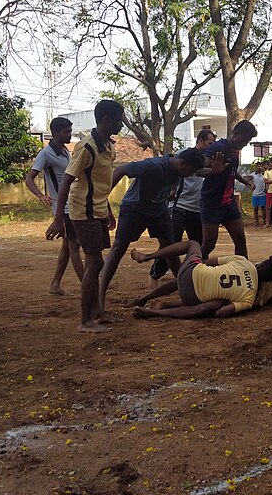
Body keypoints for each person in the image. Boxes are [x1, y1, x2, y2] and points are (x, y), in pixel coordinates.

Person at [46, 99, 123, 333]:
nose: (121, 124)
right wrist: (59, 219)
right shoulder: (86, 147)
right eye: (119, 119)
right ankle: (85, 320)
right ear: (107, 120)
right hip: (83, 211)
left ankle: (97, 311)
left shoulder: (108, 147)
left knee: (94, 261)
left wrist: (107, 209)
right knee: (95, 261)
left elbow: (100, 183)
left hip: (98, 210)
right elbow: (67, 182)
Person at [98, 148, 205, 313]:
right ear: (183, 164)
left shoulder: (178, 170)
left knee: (171, 249)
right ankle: (99, 297)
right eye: (190, 171)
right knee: (119, 248)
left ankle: (185, 288)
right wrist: (101, 200)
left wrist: (169, 192)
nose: (190, 175)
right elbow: (120, 170)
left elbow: (202, 171)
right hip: (135, 208)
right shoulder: (153, 165)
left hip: (158, 210)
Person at [126, 240, 272, 319]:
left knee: (193, 246)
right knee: (212, 304)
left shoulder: (245, 263)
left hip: (193, 278)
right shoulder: (270, 292)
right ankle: (158, 307)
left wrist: (198, 268)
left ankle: (149, 259)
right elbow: (221, 312)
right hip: (204, 296)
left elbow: (209, 261)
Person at [149, 129, 218, 285]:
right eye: (209, 143)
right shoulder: (183, 155)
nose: (210, 147)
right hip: (179, 205)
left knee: (200, 245)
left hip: (197, 208)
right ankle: (155, 275)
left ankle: (196, 275)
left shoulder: (207, 160)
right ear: (200, 141)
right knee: (172, 243)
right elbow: (200, 172)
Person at [25, 117, 83, 295]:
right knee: (74, 244)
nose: (70, 134)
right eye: (66, 131)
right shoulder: (46, 154)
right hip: (62, 207)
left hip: (71, 203)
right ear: (56, 133)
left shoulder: (65, 151)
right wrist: (41, 195)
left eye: (70, 131)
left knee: (67, 245)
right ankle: (87, 283)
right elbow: (29, 179)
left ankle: (55, 284)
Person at [199, 120, 258, 259]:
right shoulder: (218, 148)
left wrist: (243, 180)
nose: (246, 143)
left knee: (240, 239)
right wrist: (213, 171)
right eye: (246, 139)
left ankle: (244, 272)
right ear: (236, 134)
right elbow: (198, 169)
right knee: (208, 244)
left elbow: (230, 170)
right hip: (212, 202)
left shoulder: (234, 150)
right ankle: (189, 270)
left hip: (228, 202)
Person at [252, 161, 267, 227]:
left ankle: (264, 221)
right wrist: (251, 186)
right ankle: (256, 222)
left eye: (260, 166)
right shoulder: (253, 175)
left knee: (263, 208)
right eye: (258, 166)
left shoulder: (265, 175)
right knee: (255, 208)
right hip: (255, 194)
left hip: (262, 194)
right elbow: (246, 180)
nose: (259, 167)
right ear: (256, 167)